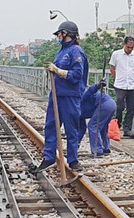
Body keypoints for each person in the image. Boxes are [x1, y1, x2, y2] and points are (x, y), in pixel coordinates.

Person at [29, 21, 89, 173]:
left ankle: (73, 160)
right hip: (56, 94)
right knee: (51, 126)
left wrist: (58, 71)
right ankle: (49, 157)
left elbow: (77, 75)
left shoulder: (76, 51)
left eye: (60, 34)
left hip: (70, 96)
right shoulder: (61, 51)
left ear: (66, 34)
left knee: (71, 129)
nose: (58, 37)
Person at [110, 36, 134, 138]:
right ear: (124, 45)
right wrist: (116, 78)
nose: (130, 49)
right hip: (120, 84)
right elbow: (112, 68)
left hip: (132, 85)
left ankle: (127, 129)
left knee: (131, 108)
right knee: (119, 107)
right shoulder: (116, 54)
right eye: (128, 47)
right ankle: (117, 126)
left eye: (131, 48)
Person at [79, 80, 117, 156]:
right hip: (112, 104)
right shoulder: (78, 113)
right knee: (103, 127)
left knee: (93, 126)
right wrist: (77, 143)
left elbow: (89, 92)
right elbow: (81, 128)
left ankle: (97, 151)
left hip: (104, 104)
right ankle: (106, 148)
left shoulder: (80, 100)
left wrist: (97, 85)